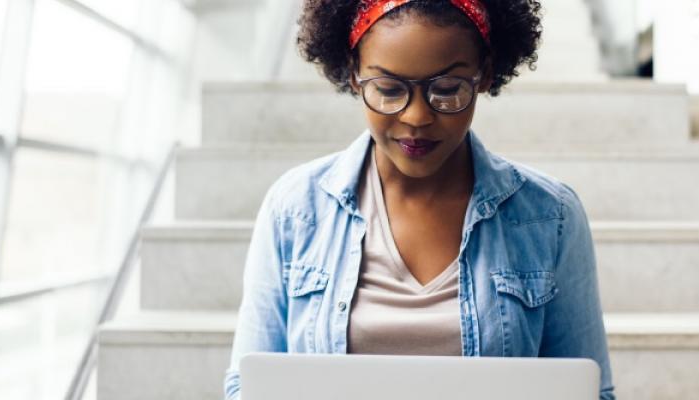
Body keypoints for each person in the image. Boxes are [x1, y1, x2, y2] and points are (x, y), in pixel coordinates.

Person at [221, 1, 614, 398]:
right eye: (389, 90)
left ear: (485, 75)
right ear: (354, 73)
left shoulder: (550, 216)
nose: (416, 117)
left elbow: (591, 392)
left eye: (446, 91)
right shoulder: (295, 209)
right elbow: (246, 386)